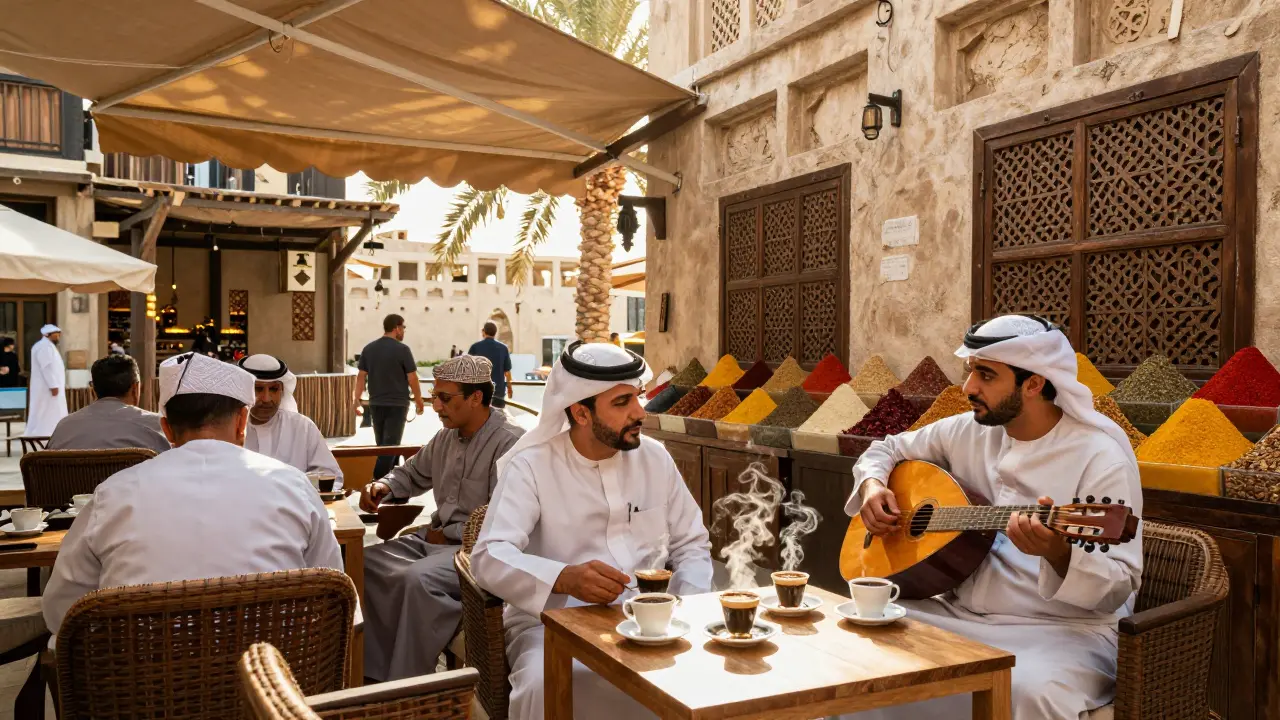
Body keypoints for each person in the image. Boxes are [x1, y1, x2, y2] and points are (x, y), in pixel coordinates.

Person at [842, 315, 1143, 720]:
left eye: (986, 375)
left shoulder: (1100, 457)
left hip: (1062, 632)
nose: (968, 389)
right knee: (859, 634)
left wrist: (1060, 555)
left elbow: (1119, 587)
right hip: (958, 613)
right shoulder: (968, 430)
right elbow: (886, 448)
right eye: (971, 373)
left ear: (1033, 384)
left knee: (1027, 690)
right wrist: (873, 486)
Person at [472, 341, 712, 720]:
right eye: (621, 403)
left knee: (710, 674)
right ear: (581, 413)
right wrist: (563, 578)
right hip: (550, 623)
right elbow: (488, 556)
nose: (639, 412)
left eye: (637, 396)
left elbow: (692, 544)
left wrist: (686, 608)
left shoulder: (655, 457)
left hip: (650, 622)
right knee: (542, 683)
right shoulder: (531, 466)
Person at [42, 352, 343, 635]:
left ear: (167, 430)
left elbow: (61, 611)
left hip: (143, 683)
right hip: (273, 680)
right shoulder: (294, 487)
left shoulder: (112, 495)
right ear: (242, 423)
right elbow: (335, 594)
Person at [360, 355, 524, 682]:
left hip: (476, 554)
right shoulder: (446, 435)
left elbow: (504, 519)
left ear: (476, 397)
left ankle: (409, 685)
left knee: (415, 580)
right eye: (435, 396)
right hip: (432, 540)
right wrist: (384, 485)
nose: (435, 406)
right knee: (363, 562)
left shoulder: (510, 442)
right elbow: (411, 473)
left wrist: (459, 536)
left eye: (444, 398)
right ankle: (372, 675)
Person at [239, 354, 343, 489]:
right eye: (258, 389)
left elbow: (331, 477)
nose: (266, 398)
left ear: (282, 390)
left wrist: (294, 490)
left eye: (273, 389)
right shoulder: (228, 430)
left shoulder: (303, 427)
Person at [48, 354, 170, 454]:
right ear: (135, 388)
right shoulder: (155, 426)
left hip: (70, 484)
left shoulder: (64, 428)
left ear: (93, 391)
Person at [355, 314, 425, 479]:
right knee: (390, 448)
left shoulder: (369, 349)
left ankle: (391, 487)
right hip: (397, 404)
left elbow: (361, 376)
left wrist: (356, 399)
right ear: (396, 328)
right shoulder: (403, 350)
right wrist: (419, 399)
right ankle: (376, 481)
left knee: (383, 446)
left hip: (375, 403)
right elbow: (412, 377)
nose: (404, 332)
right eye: (403, 328)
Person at [25, 324, 67, 437]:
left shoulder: (48, 346)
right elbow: (47, 367)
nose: (58, 337)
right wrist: (53, 385)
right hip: (47, 388)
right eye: (56, 335)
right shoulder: (44, 347)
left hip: (50, 387)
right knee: (45, 411)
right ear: (48, 335)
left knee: (52, 411)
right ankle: (42, 434)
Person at [467, 322, 512, 412]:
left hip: (479, 392)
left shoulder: (475, 347)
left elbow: (468, 370)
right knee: (497, 420)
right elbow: (507, 372)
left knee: (479, 420)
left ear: (484, 332)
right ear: (495, 333)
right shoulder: (503, 348)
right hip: (498, 392)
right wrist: (510, 388)